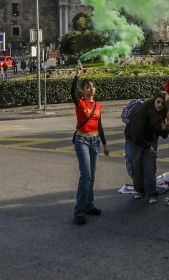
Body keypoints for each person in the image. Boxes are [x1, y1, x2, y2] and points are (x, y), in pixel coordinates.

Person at [71, 63, 109, 225]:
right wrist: (77, 75)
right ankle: (78, 212)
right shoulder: (81, 103)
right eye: (88, 87)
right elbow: (72, 94)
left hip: (95, 142)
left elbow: (99, 124)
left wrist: (105, 143)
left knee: (91, 177)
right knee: (85, 175)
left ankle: (89, 205)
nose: (91, 89)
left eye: (93, 86)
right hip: (82, 141)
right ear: (83, 90)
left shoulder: (98, 105)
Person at [125, 91, 169, 204]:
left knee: (149, 167)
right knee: (136, 166)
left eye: (162, 103)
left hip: (151, 140)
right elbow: (136, 132)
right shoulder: (144, 110)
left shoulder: (164, 114)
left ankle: (151, 194)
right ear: (154, 101)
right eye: (158, 102)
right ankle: (140, 190)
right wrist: (146, 146)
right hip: (135, 140)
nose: (159, 105)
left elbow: (164, 135)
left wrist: (164, 126)